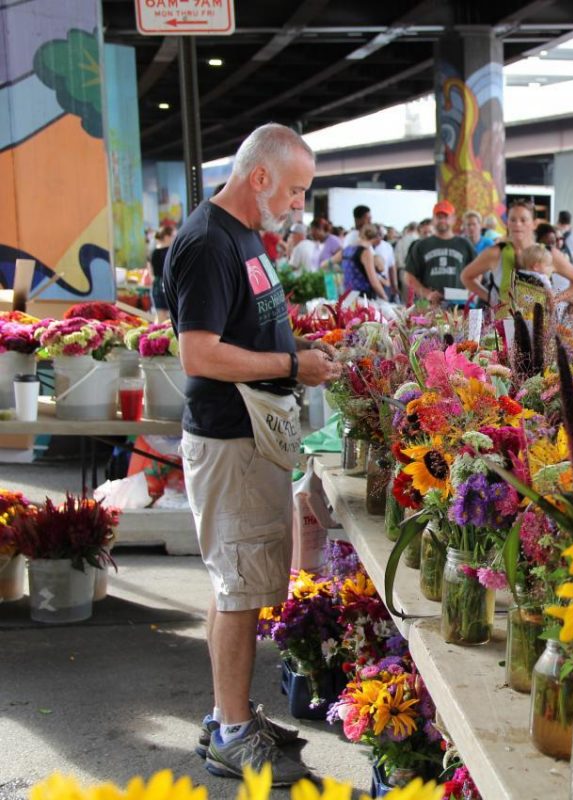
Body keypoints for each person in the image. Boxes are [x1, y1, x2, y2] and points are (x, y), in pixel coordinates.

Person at [163, 123, 340, 785]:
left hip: (251, 434)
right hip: (229, 438)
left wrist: (295, 346)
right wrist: (293, 362)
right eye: (295, 190)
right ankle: (234, 732)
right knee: (238, 589)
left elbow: (246, 320)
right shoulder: (209, 241)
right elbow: (199, 353)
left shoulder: (242, 235)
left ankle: (228, 714)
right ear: (259, 177)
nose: (298, 204)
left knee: (233, 583)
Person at [461, 200, 573, 316]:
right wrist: (491, 298)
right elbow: (466, 276)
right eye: (513, 219)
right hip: (504, 330)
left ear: (534, 224)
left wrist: (555, 299)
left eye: (523, 220)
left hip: (540, 331)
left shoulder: (548, 253)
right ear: (507, 223)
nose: (517, 224)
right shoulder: (496, 252)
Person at [404, 201, 475, 304]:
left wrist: (470, 291)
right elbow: (409, 276)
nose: (442, 220)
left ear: (453, 219)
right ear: (433, 219)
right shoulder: (421, 245)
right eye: (438, 217)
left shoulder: (464, 244)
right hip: (430, 305)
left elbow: (477, 272)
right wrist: (427, 293)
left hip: (459, 305)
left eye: (446, 217)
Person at [343, 224, 388, 301]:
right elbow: (374, 282)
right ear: (376, 237)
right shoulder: (366, 252)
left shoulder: (347, 249)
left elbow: (326, 263)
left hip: (348, 295)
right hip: (363, 297)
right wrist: (385, 297)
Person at [149, 224, 176, 322]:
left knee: (159, 316)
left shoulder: (153, 252)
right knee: (172, 317)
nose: (175, 239)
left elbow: (150, 272)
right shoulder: (171, 251)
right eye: (173, 236)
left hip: (156, 283)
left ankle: (155, 336)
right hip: (168, 283)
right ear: (166, 237)